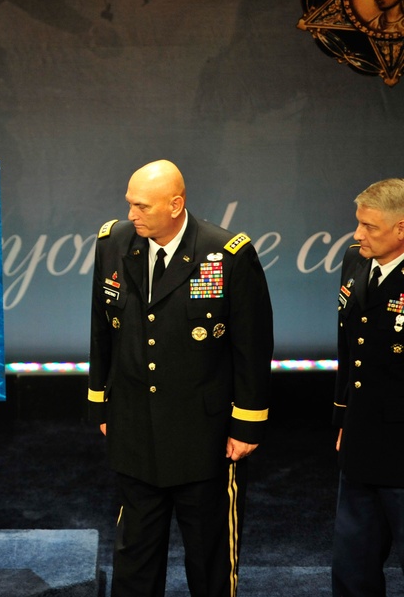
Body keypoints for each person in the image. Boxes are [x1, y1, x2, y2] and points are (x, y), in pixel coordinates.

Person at [88, 160, 273, 597]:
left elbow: (252, 344)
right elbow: (102, 325)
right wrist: (101, 401)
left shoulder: (226, 253)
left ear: (176, 204)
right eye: (129, 204)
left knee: (209, 559)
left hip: (204, 437)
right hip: (134, 429)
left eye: (141, 206)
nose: (131, 215)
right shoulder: (113, 242)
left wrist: (247, 422)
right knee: (133, 559)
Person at [332, 178, 404, 597]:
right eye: (358, 224)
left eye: (369, 227)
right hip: (360, 440)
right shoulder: (354, 260)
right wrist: (342, 418)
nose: (358, 235)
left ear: (401, 229)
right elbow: (348, 350)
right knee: (352, 564)